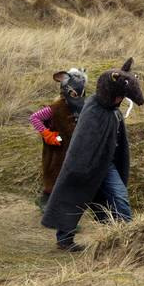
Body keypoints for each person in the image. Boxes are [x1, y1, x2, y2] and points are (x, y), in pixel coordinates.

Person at [41, 58, 144, 252]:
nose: (120, 100)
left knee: (120, 198)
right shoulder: (93, 109)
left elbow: (117, 141)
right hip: (85, 165)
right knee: (73, 197)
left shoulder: (114, 112)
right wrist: (80, 168)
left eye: (122, 97)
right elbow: (82, 143)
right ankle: (64, 239)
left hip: (107, 165)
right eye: (118, 96)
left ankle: (129, 239)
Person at [29, 68, 87, 212]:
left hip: (73, 150)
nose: (78, 97)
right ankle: (58, 211)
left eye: (81, 94)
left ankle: (51, 204)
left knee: (68, 179)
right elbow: (34, 118)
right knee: (56, 177)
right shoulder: (54, 108)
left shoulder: (82, 108)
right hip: (57, 150)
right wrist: (47, 134)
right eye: (74, 94)